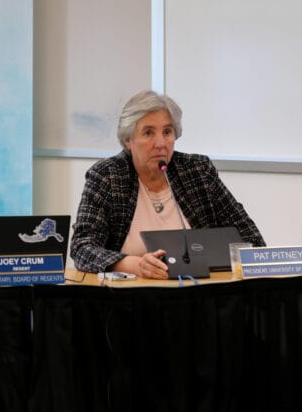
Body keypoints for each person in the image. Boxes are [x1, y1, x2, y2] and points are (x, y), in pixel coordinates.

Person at [70, 90, 265, 278]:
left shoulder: (197, 171)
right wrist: (134, 264)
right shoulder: (107, 176)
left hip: (198, 294)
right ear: (128, 140)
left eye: (167, 132)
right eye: (148, 133)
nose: (161, 143)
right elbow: (82, 247)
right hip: (130, 299)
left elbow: (251, 240)